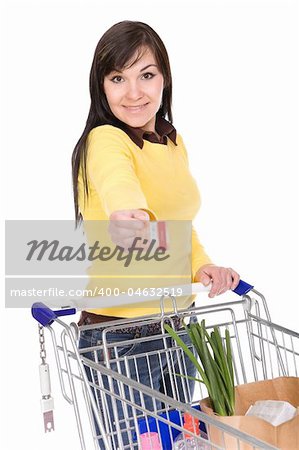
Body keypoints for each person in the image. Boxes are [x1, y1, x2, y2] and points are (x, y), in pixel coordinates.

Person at [72, 20, 240, 449]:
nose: (134, 93)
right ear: (102, 87)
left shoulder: (171, 141)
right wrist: (127, 213)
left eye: (146, 75)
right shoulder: (104, 140)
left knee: (176, 443)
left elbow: (179, 228)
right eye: (118, 78)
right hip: (122, 339)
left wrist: (203, 265)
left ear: (164, 77)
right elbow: (117, 182)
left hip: (177, 328)